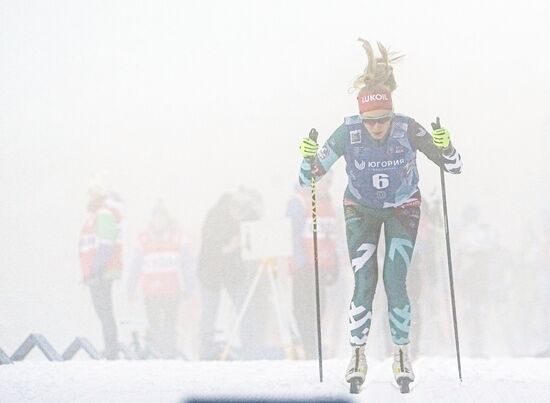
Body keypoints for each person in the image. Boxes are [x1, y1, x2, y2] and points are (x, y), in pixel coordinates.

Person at [297, 39, 463, 390]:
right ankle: (357, 354)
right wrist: (307, 157)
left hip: (403, 207)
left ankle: (402, 353)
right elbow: (308, 177)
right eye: (370, 121)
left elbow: (454, 166)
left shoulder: (407, 128)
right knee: (364, 281)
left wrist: (446, 144)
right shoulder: (348, 132)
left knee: (395, 279)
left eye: (383, 120)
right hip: (361, 210)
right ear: (361, 117)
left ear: (392, 114)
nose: (377, 127)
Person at [127, 202, 195, 358]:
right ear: (152, 220)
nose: (159, 222)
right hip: (151, 292)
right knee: (154, 325)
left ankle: (168, 354)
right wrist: (130, 289)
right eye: (156, 218)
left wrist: (189, 287)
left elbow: (188, 265)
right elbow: (135, 267)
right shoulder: (143, 240)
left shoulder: (178, 238)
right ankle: (155, 353)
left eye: (162, 218)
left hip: (172, 290)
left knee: (170, 325)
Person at [286, 179, 339, 359]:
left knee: (317, 306)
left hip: (319, 264)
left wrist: (333, 262)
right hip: (307, 265)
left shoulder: (326, 202)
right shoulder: (299, 202)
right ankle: (309, 347)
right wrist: (301, 263)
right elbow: (293, 234)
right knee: (305, 308)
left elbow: (329, 235)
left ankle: (312, 346)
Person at [78, 176, 124, 359]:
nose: (88, 196)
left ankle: (111, 351)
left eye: (91, 192)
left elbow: (106, 244)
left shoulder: (103, 214)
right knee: (103, 312)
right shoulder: (97, 215)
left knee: (105, 312)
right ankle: (110, 349)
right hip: (97, 271)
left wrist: (95, 268)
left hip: (102, 272)